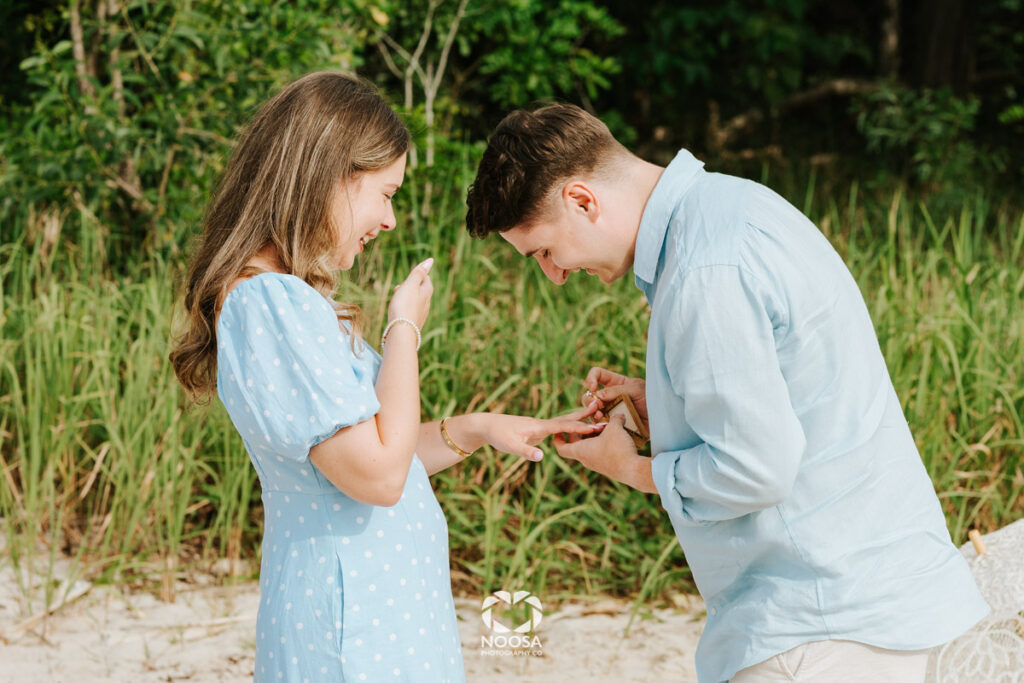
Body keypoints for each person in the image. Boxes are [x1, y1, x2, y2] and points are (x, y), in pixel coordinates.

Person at [464, 102, 989, 683]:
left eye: (543, 251)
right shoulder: (734, 206)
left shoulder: (702, 271)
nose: (554, 274)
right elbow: (787, 388)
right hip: (868, 602)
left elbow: (755, 469)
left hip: (819, 627)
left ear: (582, 201)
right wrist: (666, 402)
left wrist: (630, 469)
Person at [169, 73, 601, 683]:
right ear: (330, 177)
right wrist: (403, 330)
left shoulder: (286, 302)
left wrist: (478, 429)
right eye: (386, 193)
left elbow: (371, 454)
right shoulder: (272, 304)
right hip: (354, 625)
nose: (391, 219)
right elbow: (377, 475)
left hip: (374, 612)